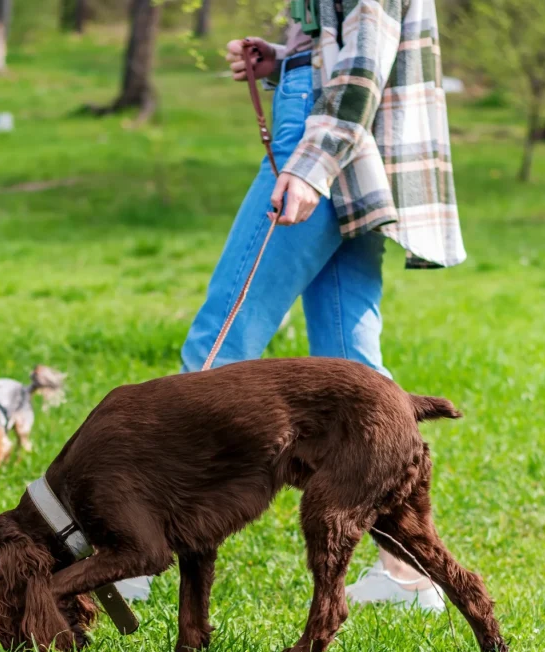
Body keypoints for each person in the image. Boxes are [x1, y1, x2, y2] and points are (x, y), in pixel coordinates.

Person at [118, 0, 464, 610]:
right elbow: (349, 41)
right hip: (348, 151)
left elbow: (361, 64)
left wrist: (311, 167)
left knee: (220, 346)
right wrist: (287, 56)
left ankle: (141, 547)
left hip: (321, 140)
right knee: (355, 373)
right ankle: (409, 572)